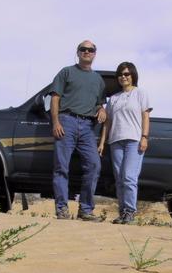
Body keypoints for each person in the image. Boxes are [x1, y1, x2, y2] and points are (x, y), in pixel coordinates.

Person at [49, 40, 107, 221]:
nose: (87, 52)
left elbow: (99, 103)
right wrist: (56, 122)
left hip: (88, 127)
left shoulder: (98, 79)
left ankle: (86, 210)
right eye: (83, 49)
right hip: (66, 121)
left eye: (91, 50)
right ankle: (62, 209)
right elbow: (55, 98)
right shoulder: (66, 72)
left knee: (94, 165)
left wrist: (102, 109)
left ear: (95, 54)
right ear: (78, 52)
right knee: (61, 167)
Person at [98, 62, 152, 224]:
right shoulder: (114, 98)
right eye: (121, 74)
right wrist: (102, 143)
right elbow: (107, 123)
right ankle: (123, 213)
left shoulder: (140, 93)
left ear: (133, 76)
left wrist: (144, 137)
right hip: (115, 141)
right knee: (120, 179)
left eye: (127, 74)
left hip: (134, 140)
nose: (123, 77)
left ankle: (130, 211)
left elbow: (145, 116)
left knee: (129, 177)